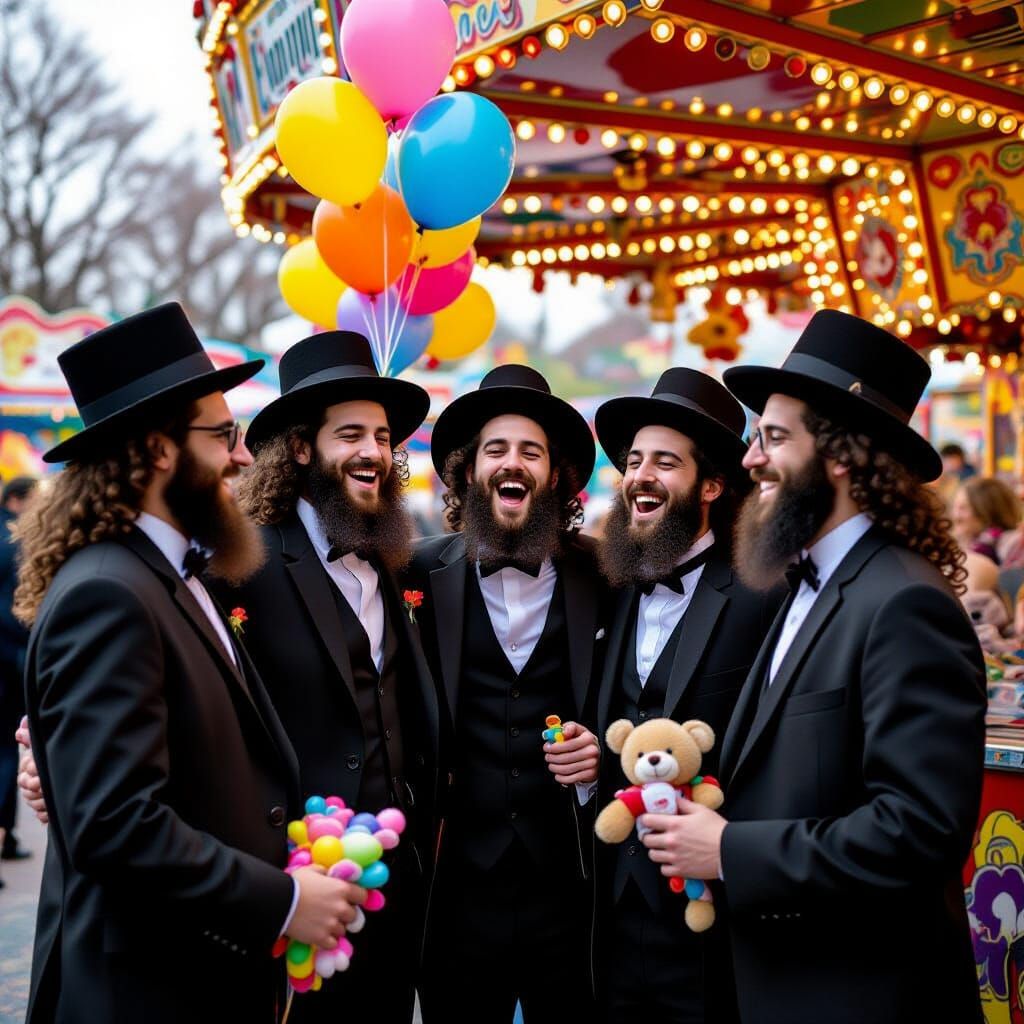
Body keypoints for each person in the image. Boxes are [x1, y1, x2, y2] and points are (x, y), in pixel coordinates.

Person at [16, 303, 363, 1024]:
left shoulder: (173, 575)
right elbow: (114, 823)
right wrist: (284, 901)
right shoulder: (110, 593)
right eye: (222, 435)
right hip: (146, 990)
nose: (242, 457)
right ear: (157, 450)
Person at [638, 310, 986, 1024]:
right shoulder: (808, 585)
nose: (751, 460)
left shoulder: (905, 603)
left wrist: (730, 850)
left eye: (773, 437)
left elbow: (919, 830)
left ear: (840, 455)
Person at [218, 330, 441, 1023]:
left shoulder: (397, 561)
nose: (373, 452)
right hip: (300, 881)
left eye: (382, 437)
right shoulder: (244, 562)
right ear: (301, 448)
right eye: (350, 435)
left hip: (397, 879)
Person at [407, 365, 607, 1023]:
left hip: (571, 887)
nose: (512, 462)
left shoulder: (605, 574)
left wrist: (601, 755)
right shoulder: (414, 572)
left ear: (555, 477)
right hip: (456, 891)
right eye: (496, 449)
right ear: (469, 472)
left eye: (531, 451)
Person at [589, 369, 783, 1024]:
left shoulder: (764, 595)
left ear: (711, 485)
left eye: (665, 463)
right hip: (613, 907)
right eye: (633, 461)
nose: (640, 476)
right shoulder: (612, 587)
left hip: (713, 914)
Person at [0, 475, 36, 874]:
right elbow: (19, 609)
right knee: (5, 752)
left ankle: (7, 837)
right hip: (8, 662)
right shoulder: (12, 543)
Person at [952, 476, 1024, 565]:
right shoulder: (961, 545)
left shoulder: (1011, 545)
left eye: (964, 508)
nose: (956, 516)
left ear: (987, 511)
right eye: (955, 507)